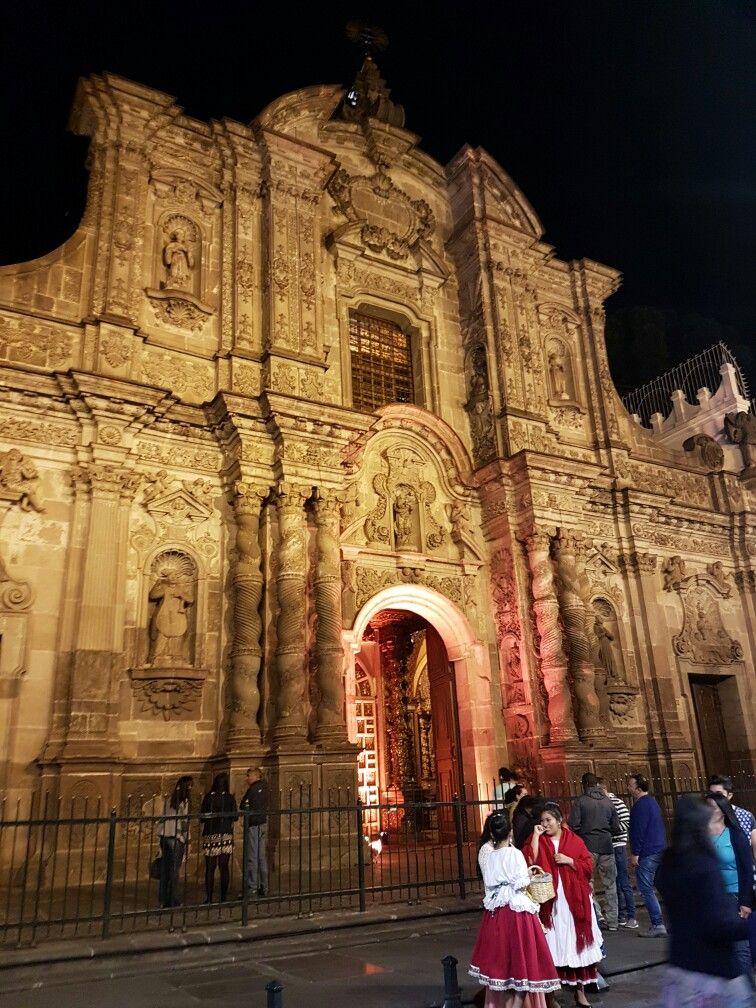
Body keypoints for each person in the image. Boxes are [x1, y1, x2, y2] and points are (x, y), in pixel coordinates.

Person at [655, 795, 755, 1008]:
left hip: (680, 963)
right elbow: (716, 924)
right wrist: (749, 925)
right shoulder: (703, 865)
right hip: (711, 971)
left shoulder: (669, 860)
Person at [469, 810, 561, 1008]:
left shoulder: (491, 856)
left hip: (497, 912)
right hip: (517, 911)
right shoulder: (515, 853)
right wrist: (527, 875)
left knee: (504, 966)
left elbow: (491, 881)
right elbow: (521, 883)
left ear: (493, 834)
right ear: (510, 833)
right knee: (523, 965)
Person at [526, 803, 603, 1007]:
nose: (545, 824)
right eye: (542, 821)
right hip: (552, 902)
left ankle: (580, 992)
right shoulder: (540, 840)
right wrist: (535, 835)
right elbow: (530, 859)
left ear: (559, 821)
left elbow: (587, 865)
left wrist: (569, 861)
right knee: (554, 946)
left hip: (573, 901)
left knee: (576, 946)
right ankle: (551, 997)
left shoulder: (574, 840)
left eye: (548, 820)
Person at [704, 790, 754, 983]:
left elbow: (746, 870)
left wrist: (745, 901)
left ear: (722, 811)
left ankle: (747, 991)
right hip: (711, 899)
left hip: (733, 896)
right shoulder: (699, 837)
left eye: (712, 807)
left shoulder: (735, 834)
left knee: (740, 948)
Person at [568, 772, 621, 931]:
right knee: (610, 885)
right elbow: (616, 826)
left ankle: (597, 916)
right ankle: (613, 921)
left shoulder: (581, 801)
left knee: (587, 883)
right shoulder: (607, 801)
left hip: (588, 847)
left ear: (584, 784)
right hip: (606, 846)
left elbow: (573, 825)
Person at [627, 772, 667, 937]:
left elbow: (639, 831)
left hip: (648, 852)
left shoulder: (640, 805)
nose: (628, 788)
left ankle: (657, 924)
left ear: (637, 789)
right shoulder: (652, 802)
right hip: (659, 849)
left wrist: (635, 852)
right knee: (659, 886)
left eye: (630, 785)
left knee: (645, 888)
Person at [597, 778, 636, 928]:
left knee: (623, 882)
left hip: (618, 845)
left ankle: (631, 915)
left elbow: (626, 822)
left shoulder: (616, 803)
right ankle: (621, 915)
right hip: (609, 845)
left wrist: (610, 828)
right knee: (614, 882)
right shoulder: (603, 804)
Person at [709, 774, 756, 890]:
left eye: (719, 794)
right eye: (711, 794)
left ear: (729, 795)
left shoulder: (745, 816)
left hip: (740, 883)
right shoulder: (703, 817)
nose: (714, 799)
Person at [200, 772, 238, 904]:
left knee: (210, 868)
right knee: (224, 867)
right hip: (225, 834)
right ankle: (223, 898)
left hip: (210, 835)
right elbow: (235, 817)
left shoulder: (208, 798)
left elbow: (202, 817)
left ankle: (209, 898)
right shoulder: (229, 798)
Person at [158, 774, 193, 909]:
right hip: (176, 837)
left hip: (164, 835)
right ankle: (172, 899)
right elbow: (184, 823)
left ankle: (162, 899)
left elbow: (162, 818)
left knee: (165, 869)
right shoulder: (184, 802)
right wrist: (188, 840)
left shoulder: (170, 800)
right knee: (174, 870)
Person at [241, 766, 270, 897]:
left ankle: (252, 886)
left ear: (254, 776)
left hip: (253, 824)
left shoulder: (252, 790)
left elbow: (243, 805)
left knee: (252, 856)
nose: (246, 779)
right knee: (261, 856)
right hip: (263, 822)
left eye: (248, 776)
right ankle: (264, 885)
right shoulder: (266, 788)